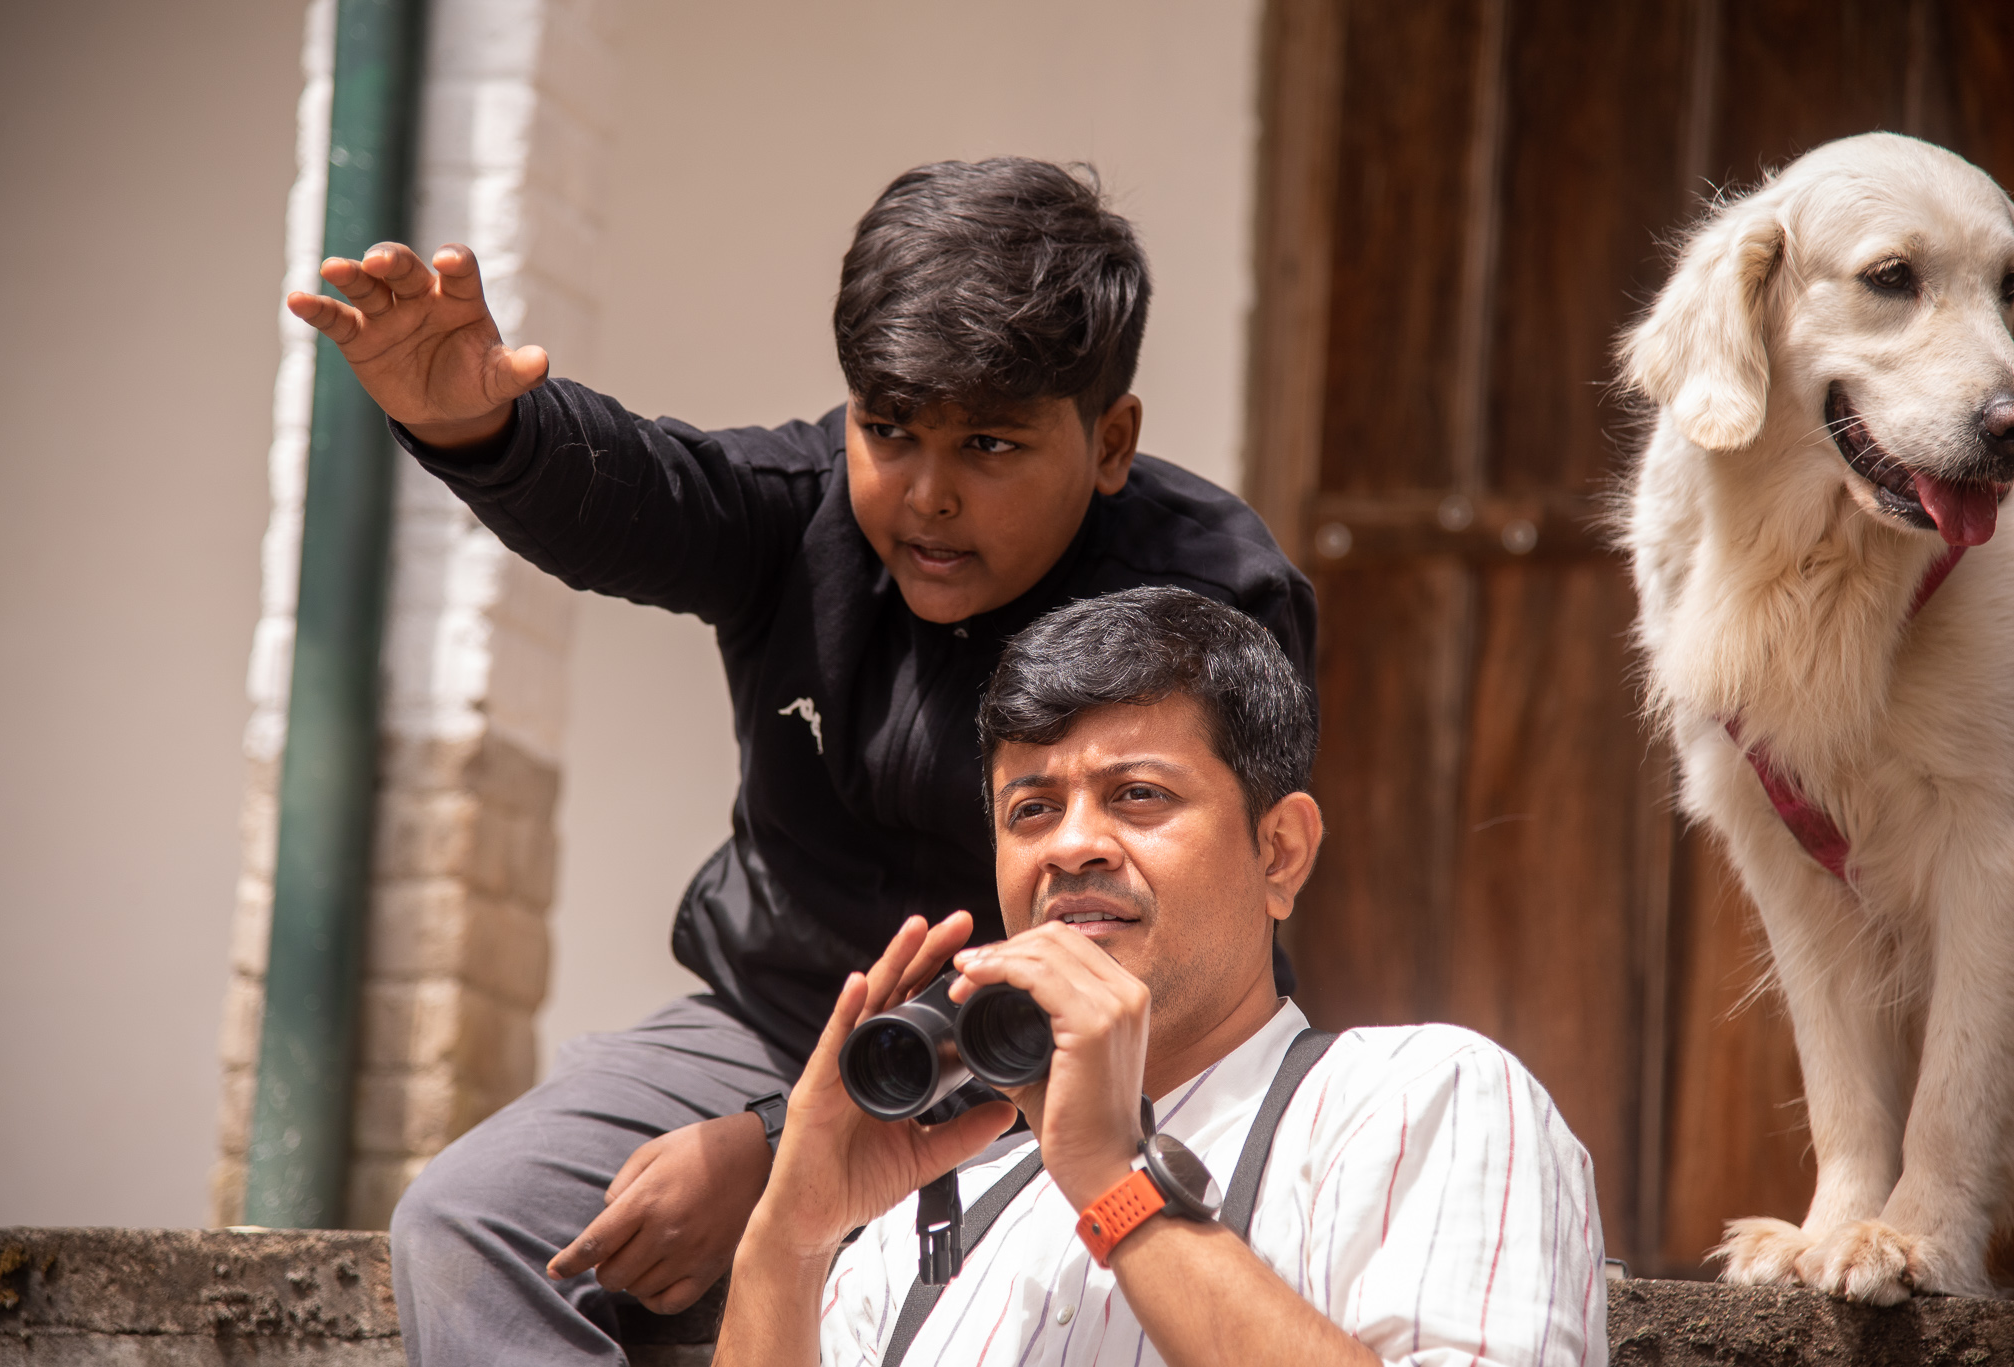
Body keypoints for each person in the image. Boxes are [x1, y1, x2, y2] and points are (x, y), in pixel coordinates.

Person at [284, 159, 1317, 1364]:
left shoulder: (1204, 602)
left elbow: (1156, 942)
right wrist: (475, 423)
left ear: (1109, 441)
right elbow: (648, 487)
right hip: (773, 1025)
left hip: (1096, 1062)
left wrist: (775, 1148)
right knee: (469, 1221)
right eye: (888, 431)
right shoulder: (802, 509)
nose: (927, 495)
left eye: (988, 443)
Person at [715, 587, 1608, 1367]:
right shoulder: (928, 1228)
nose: (1072, 845)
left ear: (1279, 852)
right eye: (1032, 808)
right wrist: (791, 1239)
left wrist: (1116, 1183)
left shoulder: (1419, 1099)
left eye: (1138, 794)